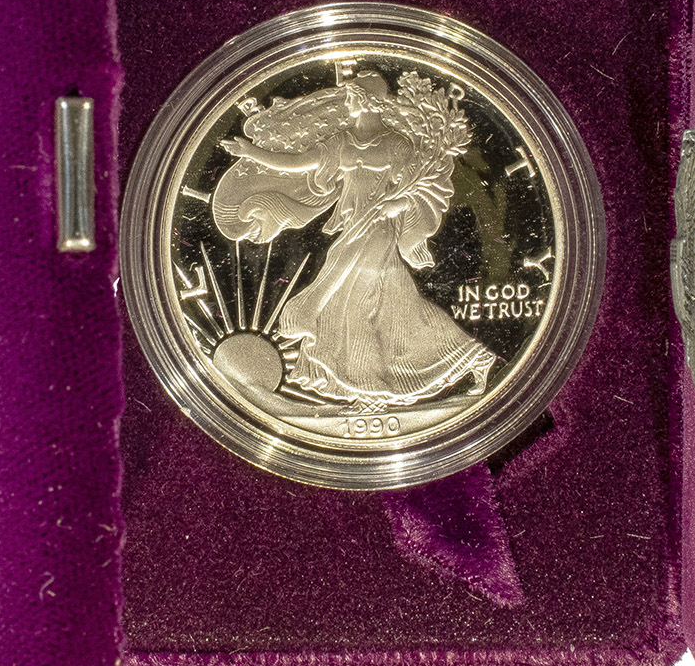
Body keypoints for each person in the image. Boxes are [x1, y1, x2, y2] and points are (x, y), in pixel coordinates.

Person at [211, 61, 493, 409]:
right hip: (352, 229)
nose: (349, 102)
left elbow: (423, 186)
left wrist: (399, 203)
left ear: (368, 101)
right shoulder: (341, 142)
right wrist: (251, 152)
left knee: (353, 304)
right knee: (396, 309)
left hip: (379, 231)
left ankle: (372, 387)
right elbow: (297, 162)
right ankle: (463, 360)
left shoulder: (396, 145)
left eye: (354, 96)